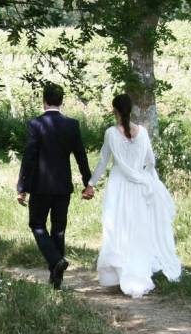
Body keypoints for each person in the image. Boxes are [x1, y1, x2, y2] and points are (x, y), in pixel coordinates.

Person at [85, 94, 182, 298]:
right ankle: (137, 268)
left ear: (115, 111)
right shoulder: (143, 132)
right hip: (138, 186)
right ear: (131, 110)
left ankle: (120, 272)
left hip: (119, 185)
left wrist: (90, 184)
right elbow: (151, 161)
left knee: (117, 227)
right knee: (137, 228)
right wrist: (143, 175)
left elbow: (103, 162)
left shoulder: (111, 133)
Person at [17, 83, 92, 289]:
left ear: (44, 100)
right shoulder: (72, 125)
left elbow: (29, 157)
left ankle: (55, 261)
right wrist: (88, 183)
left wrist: (21, 186)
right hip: (62, 186)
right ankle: (56, 279)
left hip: (40, 186)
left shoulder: (35, 124)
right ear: (62, 101)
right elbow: (81, 156)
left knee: (37, 224)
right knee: (58, 229)